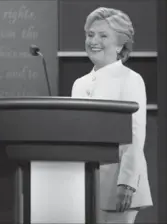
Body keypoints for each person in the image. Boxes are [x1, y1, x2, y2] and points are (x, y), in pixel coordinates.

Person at [71, 7, 153, 223]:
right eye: (90, 35)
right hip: (84, 184)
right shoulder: (79, 84)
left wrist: (126, 183)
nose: (93, 41)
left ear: (120, 45)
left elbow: (135, 135)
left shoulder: (131, 79)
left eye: (103, 35)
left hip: (118, 185)